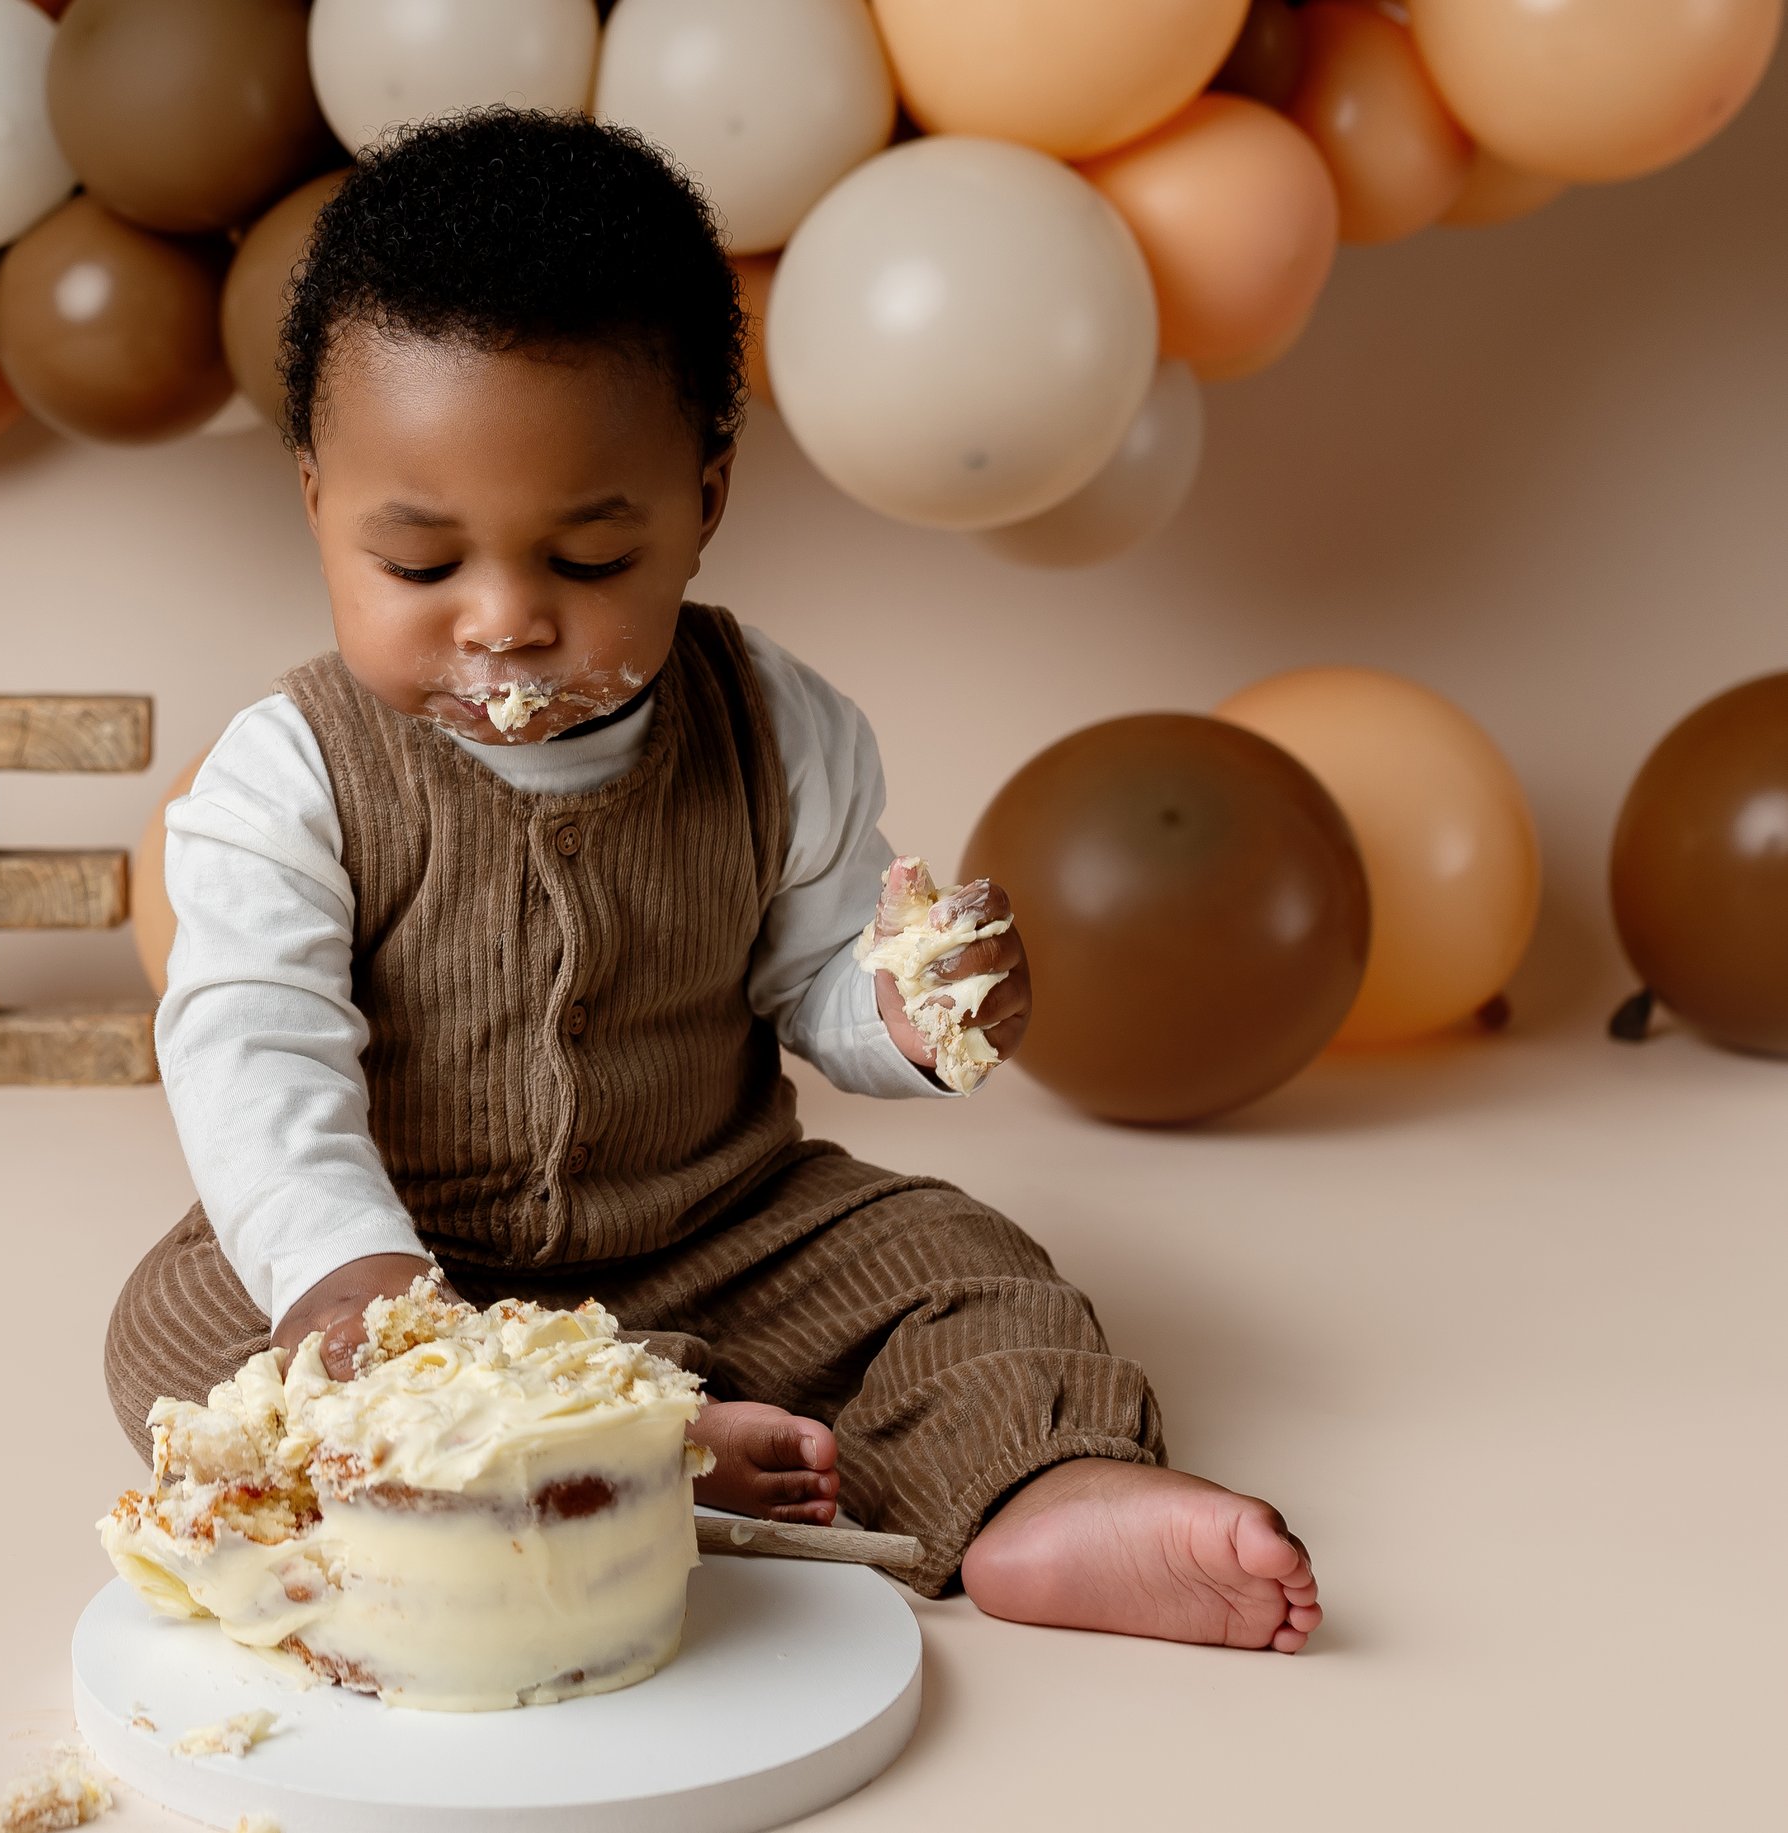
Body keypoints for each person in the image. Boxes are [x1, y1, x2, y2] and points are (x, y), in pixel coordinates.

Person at [107, 110, 1319, 1653]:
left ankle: (1035, 1485)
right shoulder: (286, 777)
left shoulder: (780, 727)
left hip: (719, 1223)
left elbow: (812, 984)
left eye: (589, 562)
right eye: (419, 566)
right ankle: (658, 1454)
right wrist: (353, 1281)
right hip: (423, 1262)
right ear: (316, 504)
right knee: (180, 1333)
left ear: (705, 501)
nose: (503, 622)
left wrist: (901, 1014)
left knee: (967, 1265)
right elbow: (253, 1046)